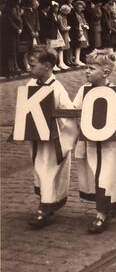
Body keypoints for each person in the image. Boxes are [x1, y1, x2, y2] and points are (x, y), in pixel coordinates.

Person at [73, 50, 116, 234]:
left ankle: (101, 214)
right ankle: (105, 207)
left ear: (106, 72)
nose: (86, 71)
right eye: (86, 67)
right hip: (91, 142)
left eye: (91, 68)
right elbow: (74, 111)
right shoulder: (83, 91)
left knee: (107, 175)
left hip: (112, 145)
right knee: (96, 173)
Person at [16, 45, 78, 228]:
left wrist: (57, 125)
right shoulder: (31, 85)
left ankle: (44, 209)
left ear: (47, 66)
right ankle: (47, 203)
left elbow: (69, 114)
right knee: (40, 170)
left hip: (53, 142)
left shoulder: (57, 89)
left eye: (32, 65)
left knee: (48, 171)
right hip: (37, 140)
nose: (29, 68)